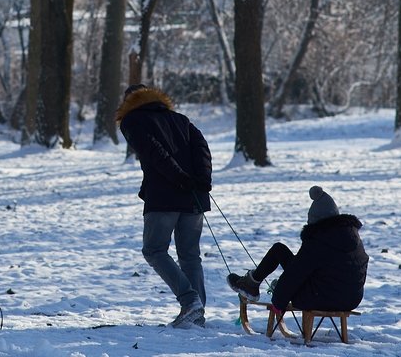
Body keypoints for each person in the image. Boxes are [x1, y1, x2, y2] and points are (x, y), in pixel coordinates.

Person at [116, 83, 213, 328]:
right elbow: (202, 148)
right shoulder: (181, 120)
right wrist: (201, 180)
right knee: (190, 255)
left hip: (163, 197)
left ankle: (190, 301)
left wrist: (180, 178)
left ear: (129, 102)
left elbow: (153, 152)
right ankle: (197, 313)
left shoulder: (132, 121)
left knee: (154, 250)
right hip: (193, 196)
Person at [227, 186, 369, 317]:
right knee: (281, 251)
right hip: (351, 299)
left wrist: (278, 302)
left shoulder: (318, 240)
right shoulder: (354, 238)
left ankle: (251, 285)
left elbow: (295, 273)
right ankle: (252, 283)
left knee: (282, 254)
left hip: (320, 298)